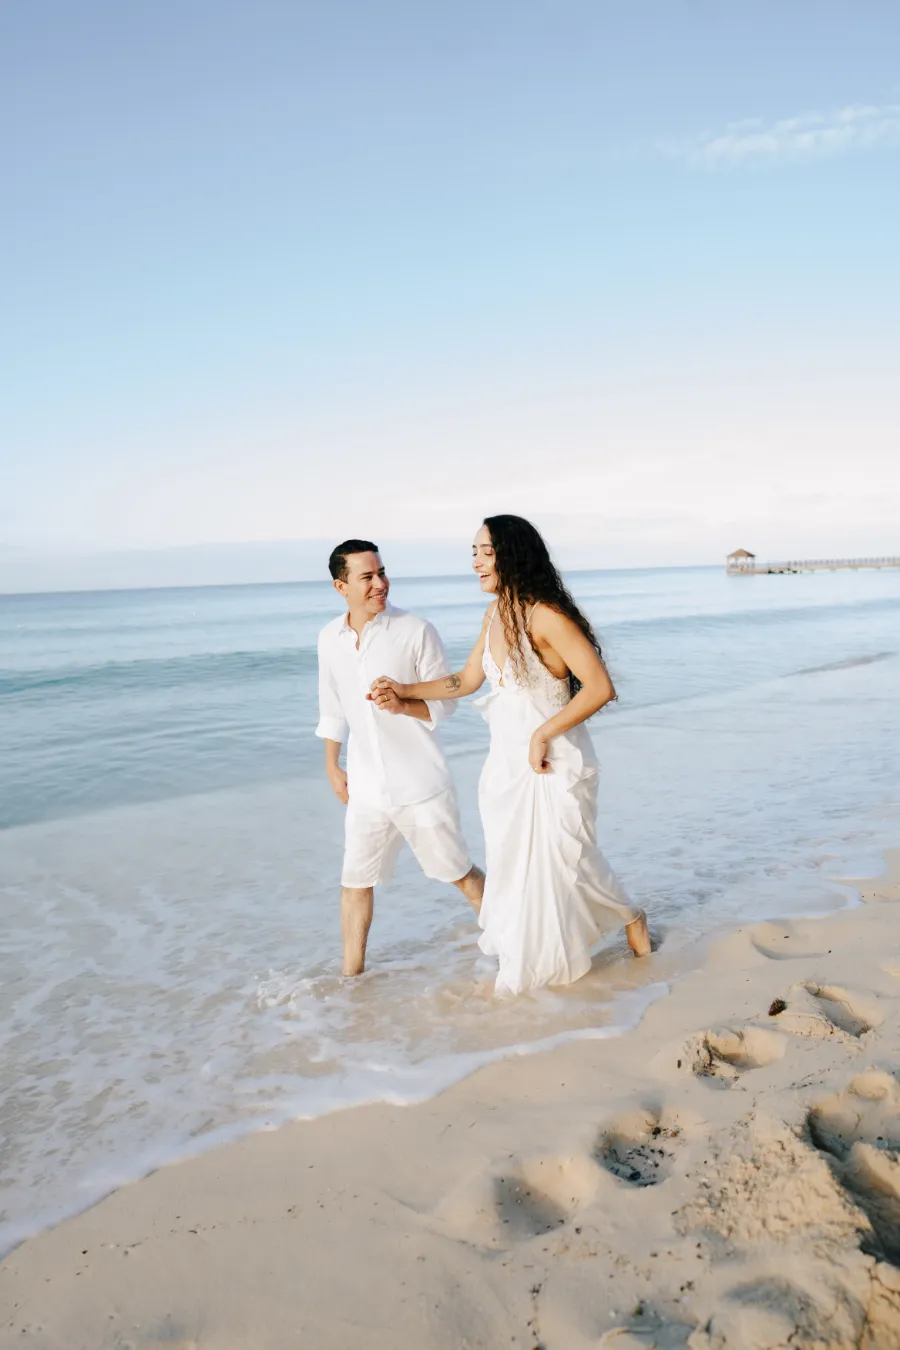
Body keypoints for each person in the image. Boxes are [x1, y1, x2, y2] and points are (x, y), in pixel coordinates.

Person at [370, 515, 650, 995]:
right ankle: (535, 964)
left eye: (485, 552)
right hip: (505, 768)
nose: (476, 562)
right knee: (516, 872)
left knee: (570, 859)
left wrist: (543, 733)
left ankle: (630, 919)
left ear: (512, 555)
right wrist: (404, 691)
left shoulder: (547, 616)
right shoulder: (496, 614)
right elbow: (466, 680)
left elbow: (600, 687)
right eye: (474, 553)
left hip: (553, 762)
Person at [317, 539, 485, 976]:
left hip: (420, 783)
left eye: (382, 573)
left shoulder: (416, 630)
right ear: (342, 586)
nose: (380, 584)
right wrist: (332, 765)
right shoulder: (328, 639)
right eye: (367, 577)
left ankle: (515, 941)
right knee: (355, 882)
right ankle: (351, 977)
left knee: (459, 874)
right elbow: (331, 707)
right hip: (367, 788)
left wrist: (403, 705)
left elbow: (446, 702)